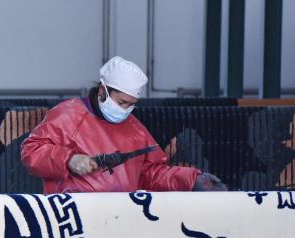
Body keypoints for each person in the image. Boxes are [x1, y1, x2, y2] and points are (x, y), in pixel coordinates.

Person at [21, 56, 226, 193]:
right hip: (74, 218)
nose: (126, 109)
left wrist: (192, 179)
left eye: (131, 105)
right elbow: (31, 151)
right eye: (121, 102)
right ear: (102, 91)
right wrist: (68, 160)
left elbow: (151, 173)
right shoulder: (68, 115)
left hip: (121, 219)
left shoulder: (135, 130)